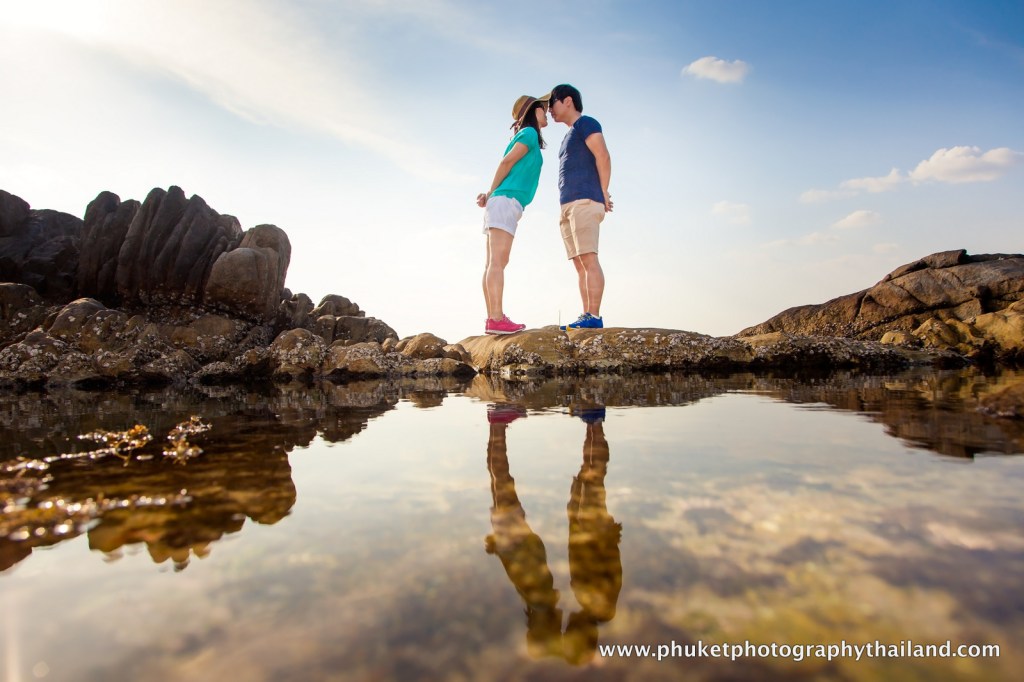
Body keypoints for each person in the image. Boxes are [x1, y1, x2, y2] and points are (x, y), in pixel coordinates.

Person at [477, 93, 550, 335]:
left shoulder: (526, 135)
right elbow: (506, 163)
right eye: (543, 107)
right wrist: (490, 192)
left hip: (503, 201)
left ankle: (492, 318)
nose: (547, 110)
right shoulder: (529, 133)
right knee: (498, 262)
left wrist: (490, 196)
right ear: (532, 111)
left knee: (492, 263)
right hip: (506, 200)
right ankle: (496, 319)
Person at [548, 83, 613, 330]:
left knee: (589, 258)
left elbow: (603, 155)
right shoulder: (567, 136)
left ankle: (594, 316)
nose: (550, 110)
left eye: (551, 103)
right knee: (579, 263)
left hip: (585, 200)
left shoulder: (587, 123)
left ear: (567, 101)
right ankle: (586, 315)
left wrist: (604, 191)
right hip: (567, 204)